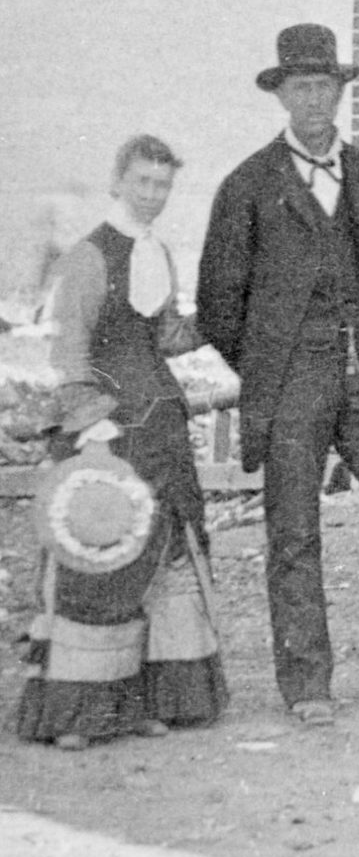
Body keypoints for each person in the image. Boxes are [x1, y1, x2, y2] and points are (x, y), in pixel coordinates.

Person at [197, 24, 359, 726]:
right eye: (301, 88)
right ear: (282, 96)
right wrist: (270, 366)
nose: (315, 100)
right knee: (294, 529)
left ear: (341, 93)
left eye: (326, 86)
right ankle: (307, 686)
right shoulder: (247, 186)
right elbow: (219, 306)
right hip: (291, 379)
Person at [17, 135, 227, 749]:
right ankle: (79, 715)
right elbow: (69, 351)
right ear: (118, 182)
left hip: (160, 425)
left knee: (160, 563)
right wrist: (91, 425)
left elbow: (162, 337)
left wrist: (225, 314)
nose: (153, 195)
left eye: (162, 185)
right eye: (143, 183)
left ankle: (140, 705)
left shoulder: (158, 251)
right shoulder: (88, 255)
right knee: (103, 560)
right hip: (107, 432)